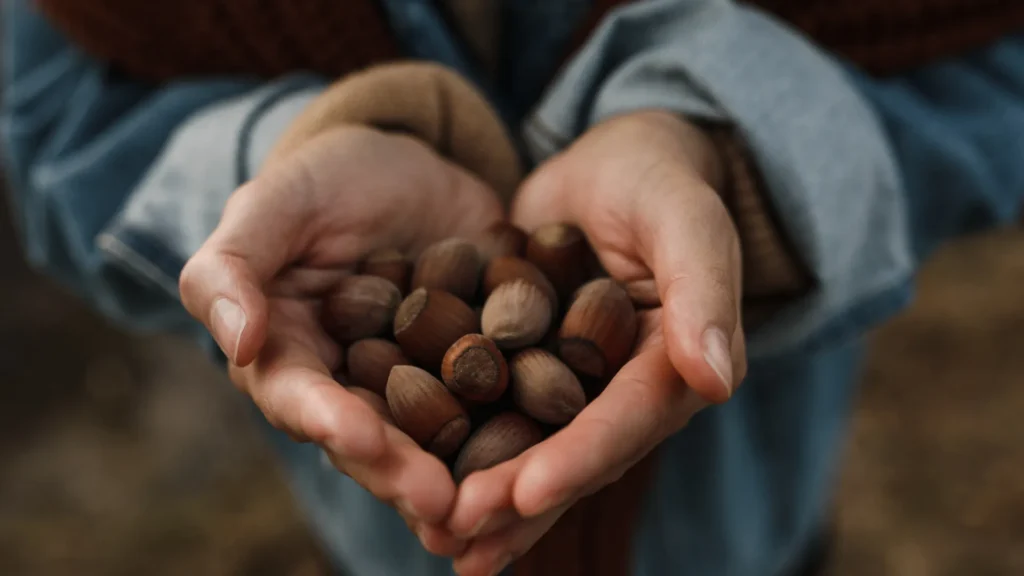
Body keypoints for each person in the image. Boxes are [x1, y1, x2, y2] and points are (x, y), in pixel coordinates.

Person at [4, 1, 1024, 575]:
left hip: (744, 530)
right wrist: (272, 172)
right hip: (383, 542)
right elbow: (48, 115)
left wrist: (739, 163)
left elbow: (997, 71)